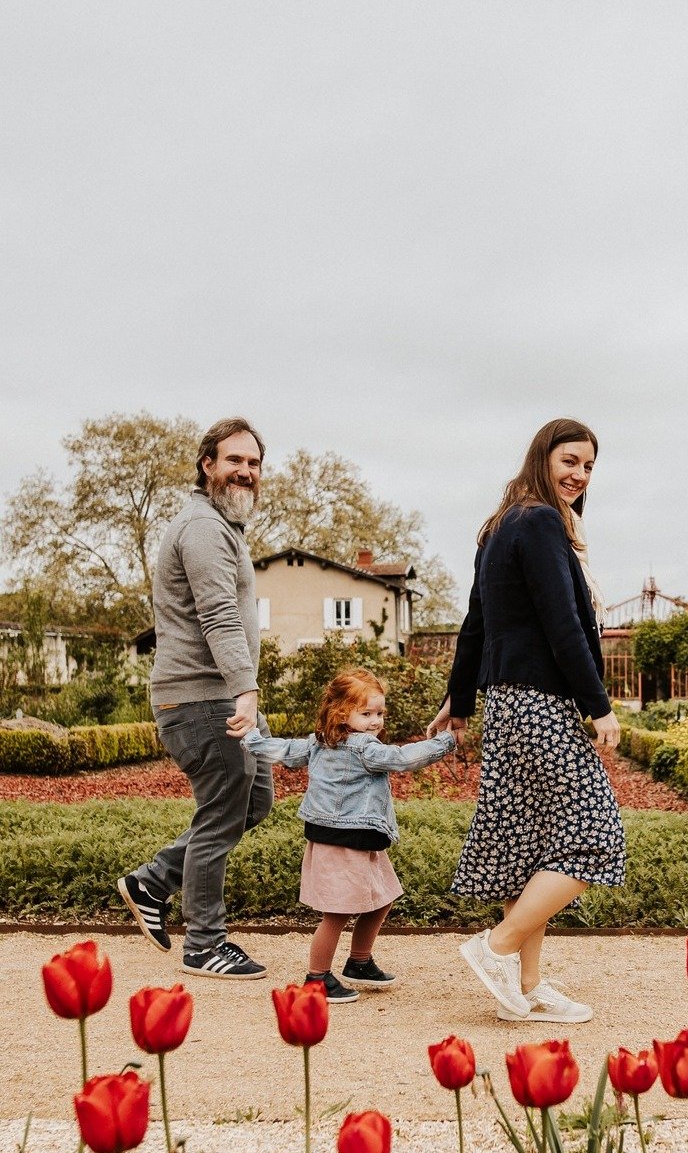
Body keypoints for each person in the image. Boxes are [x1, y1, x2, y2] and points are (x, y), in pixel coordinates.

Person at [427, 417, 625, 1024]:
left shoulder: (500, 526)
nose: (579, 474)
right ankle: (497, 948)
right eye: (570, 460)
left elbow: (476, 625)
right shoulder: (538, 522)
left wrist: (460, 702)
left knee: (537, 844)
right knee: (596, 836)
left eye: (589, 466)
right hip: (542, 703)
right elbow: (563, 624)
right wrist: (598, 705)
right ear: (543, 456)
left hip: (507, 705)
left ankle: (528, 986)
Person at [118, 418, 274, 980]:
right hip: (203, 701)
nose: (246, 472)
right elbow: (219, 616)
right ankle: (205, 943)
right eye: (235, 460)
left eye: (254, 463)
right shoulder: (204, 529)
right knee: (219, 815)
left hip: (213, 697)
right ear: (207, 464)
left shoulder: (222, 526)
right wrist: (246, 691)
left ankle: (153, 880)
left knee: (252, 804)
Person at [241, 668, 456, 1002]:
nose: (375, 721)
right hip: (345, 841)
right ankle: (317, 979)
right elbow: (402, 758)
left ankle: (358, 962)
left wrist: (253, 740)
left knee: (381, 897)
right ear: (341, 713)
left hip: (360, 838)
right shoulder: (364, 750)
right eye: (366, 713)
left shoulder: (318, 743)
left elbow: (282, 750)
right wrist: (446, 741)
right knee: (338, 912)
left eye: (380, 713)